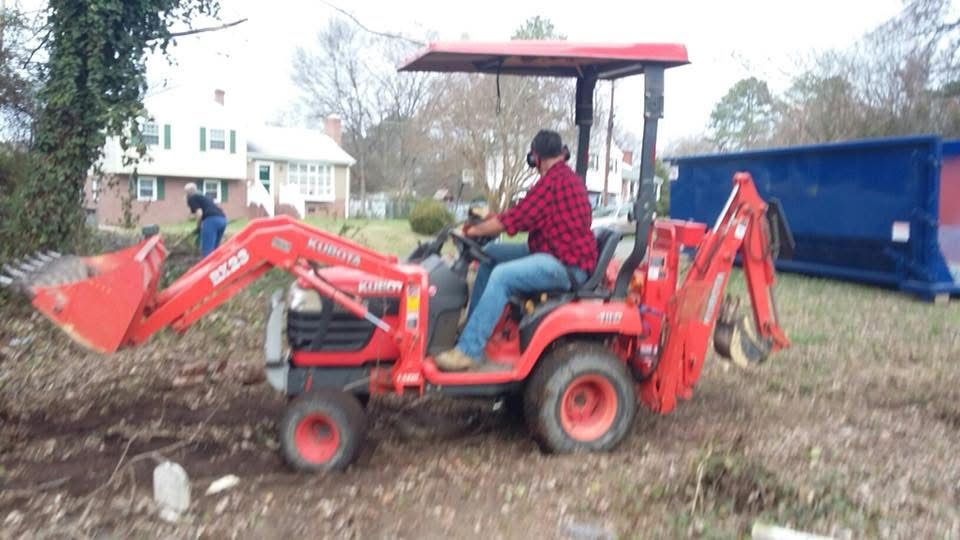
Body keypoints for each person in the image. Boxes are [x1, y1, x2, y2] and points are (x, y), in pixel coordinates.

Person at [435, 129, 598, 372]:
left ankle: (469, 351)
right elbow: (520, 214)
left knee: (503, 275)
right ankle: (473, 330)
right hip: (552, 252)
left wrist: (470, 231)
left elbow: (514, 221)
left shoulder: (554, 183)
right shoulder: (558, 179)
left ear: (536, 158)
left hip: (565, 266)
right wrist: (486, 221)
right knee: (490, 255)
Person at [184, 182, 227, 258]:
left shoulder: (192, 198)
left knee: (207, 251)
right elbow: (194, 214)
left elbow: (199, 213)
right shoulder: (203, 197)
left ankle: (208, 268)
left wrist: (198, 226)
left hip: (211, 221)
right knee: (215, 250)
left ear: (187, 193)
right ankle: (216, 265)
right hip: (222, 219)